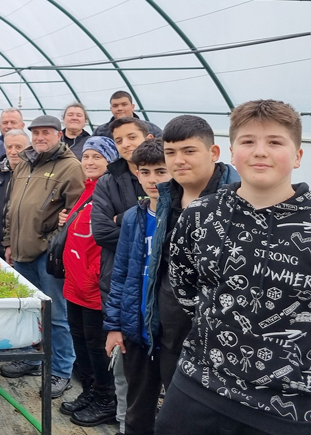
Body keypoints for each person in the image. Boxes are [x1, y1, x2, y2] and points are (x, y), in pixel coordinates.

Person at [157, 100, 310, 435]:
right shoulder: (200, 215)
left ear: (298, 156)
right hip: (199, 387)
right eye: (248, 141)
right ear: (231, 151)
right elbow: (184, 286)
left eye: (275, 142)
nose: (260, 152)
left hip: (289, 408)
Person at [0, 115, 84, 398]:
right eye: (36, 133)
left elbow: (77, 214)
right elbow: (12, 208)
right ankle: (31, 357)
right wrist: (9, 242)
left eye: (46, 132)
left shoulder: (70, 167)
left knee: (56, 315)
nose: (40, 138)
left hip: (48, 256)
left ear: (59, 135)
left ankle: (61, 371)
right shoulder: (24, 164)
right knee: (26, 311)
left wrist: (52, 242)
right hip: (21, 251)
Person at [155, 116, 240, 392]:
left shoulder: (238, 203)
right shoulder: (166, 198)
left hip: (220, 337)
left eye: (189, 151)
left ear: (213, 153)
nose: (178, 160)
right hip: (171, 323)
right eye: (171, 152)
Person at [104, 139, 172, 435]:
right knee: (136, 408)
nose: (152, 179)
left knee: (175, 411)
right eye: (145, 172)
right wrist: (114, 325)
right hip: (137, 329)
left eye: (161, 171)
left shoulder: (184, 217)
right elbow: (120, 275)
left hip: (171, 333)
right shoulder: (134, 217)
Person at [92, 115, 154, 427]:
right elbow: (101, 230)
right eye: (119, 140)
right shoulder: (109, 180)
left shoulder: (167, 178)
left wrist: (124, 220)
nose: (127, 144)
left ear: (149, 137)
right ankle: (124, 423)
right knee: (124, 366)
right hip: (120, 280)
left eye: (132, 136)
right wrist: (140, 232)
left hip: (158, 290)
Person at [59, 136, 120, 427]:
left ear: (110, 161)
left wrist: (95, 276)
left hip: (93, 288)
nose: (90, 162)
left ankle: (106, 400)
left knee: (97, 346)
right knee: (80, 340)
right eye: (86, 157)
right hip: (74, 284)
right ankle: (90, 391)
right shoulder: (87, 191)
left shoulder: (109, 194)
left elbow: (106, 241)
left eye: (97, 157)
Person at [0, 129, 29, 259]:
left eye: (19, 147)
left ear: (29, 148)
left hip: (21, 246)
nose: (13, 151)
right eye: (9, 147)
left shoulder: (35, 174)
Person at [93, 91, 162, 139]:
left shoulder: (152, 129)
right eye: (115, 106)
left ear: (132, 107)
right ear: (111, 109)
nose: (119, 108)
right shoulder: (100, 132)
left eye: (124, 104)